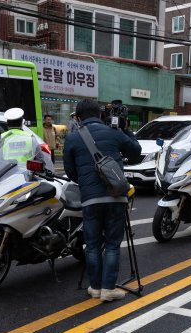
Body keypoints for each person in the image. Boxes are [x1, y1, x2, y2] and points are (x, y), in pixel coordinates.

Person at [63, 98, 141, 302]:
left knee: (92, 245)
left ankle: (95, 288)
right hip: (116, 197)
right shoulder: (114, 132)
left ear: (78, 118)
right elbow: (136, 153)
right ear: (100, 115)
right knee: (113, 245)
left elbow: (71, 172)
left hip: (90, 199)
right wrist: (125, 129)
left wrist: (87, 183)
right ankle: (108, 289)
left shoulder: (72, 138)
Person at [0, 107, 54, 172]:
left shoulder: (1, 137)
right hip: (27, 173)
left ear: (7, 123)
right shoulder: (30, 137)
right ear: (21, 123)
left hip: (8, 173)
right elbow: (40, 158)